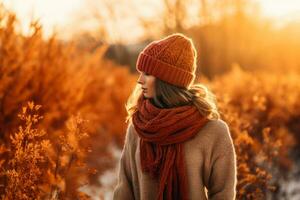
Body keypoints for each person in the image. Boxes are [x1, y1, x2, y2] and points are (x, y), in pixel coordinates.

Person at [113, 33, 237, 200]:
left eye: (147, 74)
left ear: (167, 81)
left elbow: (223, 193)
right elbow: (124, 190)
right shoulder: (138, 128)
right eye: (140, 73)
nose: (140, 80)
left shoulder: (213, 131)